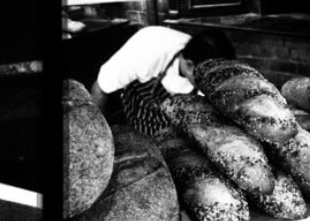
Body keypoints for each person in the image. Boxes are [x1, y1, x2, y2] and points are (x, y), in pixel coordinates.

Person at [64, 22, 237, 136]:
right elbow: (101, 88)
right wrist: (98, 135)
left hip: (173, 128)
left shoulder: (209, 68)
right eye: (205, 82)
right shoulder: (148, 49)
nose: (209, 88)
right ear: (190, 65)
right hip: (138, 112)